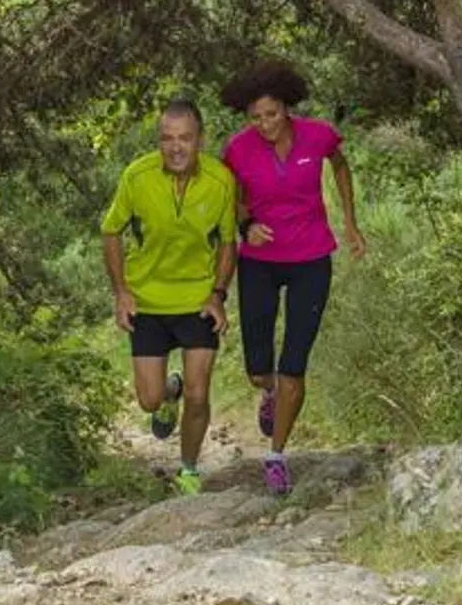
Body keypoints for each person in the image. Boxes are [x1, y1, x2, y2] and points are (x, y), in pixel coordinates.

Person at [219, 61, 366, 496]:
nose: (265, 124)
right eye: (256, 117)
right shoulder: (238, 150)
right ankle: (267, 393)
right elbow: (233, 199)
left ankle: (277, 455)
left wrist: (351, 224)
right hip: (260, 262)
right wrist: (246, 226)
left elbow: (340, 167)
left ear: (287, 107)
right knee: (258, 369)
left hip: (311, 258)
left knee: (293, 365)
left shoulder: (318, 134)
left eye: (272, 114)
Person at [101, 97, 237, 495]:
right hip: (148, 302)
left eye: (185, 139)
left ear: (200, 140)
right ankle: (167, 392)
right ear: (159, 141)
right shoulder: (136, 176)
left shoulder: (220, 180)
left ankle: (189, 470)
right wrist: (121, 292)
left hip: (197, 301)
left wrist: (217, 294)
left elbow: (229, 243)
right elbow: (111, 232)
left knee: (200, 393)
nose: (176, 147)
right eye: (167, 139)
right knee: (148, 400)